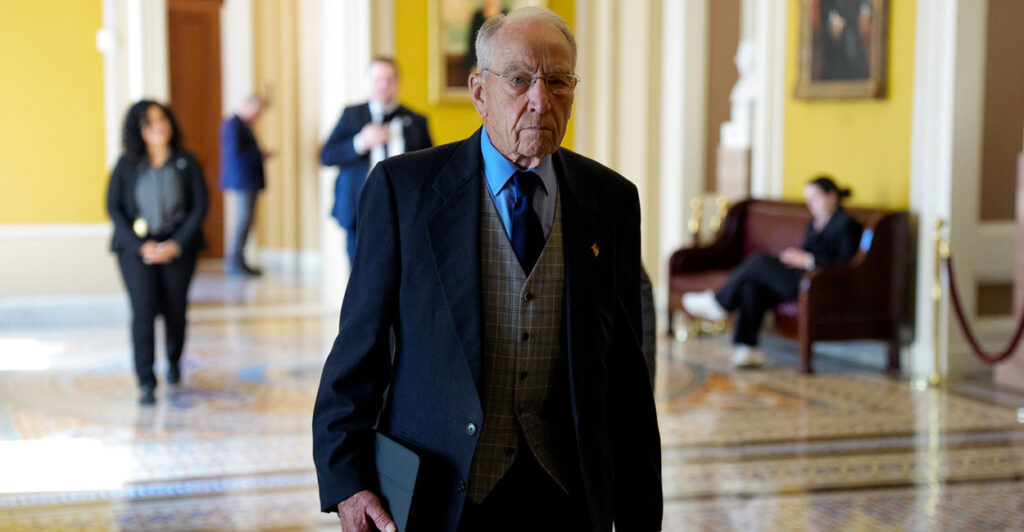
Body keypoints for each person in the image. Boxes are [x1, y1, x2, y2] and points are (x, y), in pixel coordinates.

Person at [312, 8, 662, 532]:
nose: (540, 99)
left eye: (559, 81)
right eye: (519, 80)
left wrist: (639, 516)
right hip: (441, 496)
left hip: (565, 495)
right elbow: (357, 353)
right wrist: (349, 483)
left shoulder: (611, 200)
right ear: (479, 92)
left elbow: (626, 381)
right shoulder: (402, 191)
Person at [682, 176, 863, 368]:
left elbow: (845, 264)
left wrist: (809, 260)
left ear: (832, 196)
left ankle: (720, 302)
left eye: (815, 198)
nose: (811, 204)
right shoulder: (814, 223)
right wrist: (795, 257)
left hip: (817, 282)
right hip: (799, 273)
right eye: (808, 199)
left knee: (757, 261)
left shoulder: (846, 224)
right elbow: (808, 252)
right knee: (752, 286)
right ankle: (747, 349)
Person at [106, 100, 208, 405]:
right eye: (149, 123)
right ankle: (146, 381)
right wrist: (142, 246)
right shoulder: (126, 164)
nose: (158, 127)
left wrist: (175, 244)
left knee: (176, 310)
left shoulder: (187, 162)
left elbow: (199, 207)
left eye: (162, 119)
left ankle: (174, 362)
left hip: (178, 246)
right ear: (138, 130)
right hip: (136, 250)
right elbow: (113, 207)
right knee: (143, 310)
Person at [320, 57, 433, 266]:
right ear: (369, 82)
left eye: (389, 79)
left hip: (403, 212)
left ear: (397, 82)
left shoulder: (417, 121)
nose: (383, 85)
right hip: (358, 209)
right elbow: (326, 155)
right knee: (358, 276)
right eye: (378, 79)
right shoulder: (351, 115)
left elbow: (430, 170)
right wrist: (359, 142)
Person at [220, 95, 270, 276]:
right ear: (249, 106)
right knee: (243, 220)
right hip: (243, 181)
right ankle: (234, 262)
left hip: (248, 180)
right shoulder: (234, 124)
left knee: (246, 220)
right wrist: (259, 155)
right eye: (257, 112)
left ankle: (238, 261)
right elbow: (236, 154)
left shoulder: (244, 125)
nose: (258, 116)